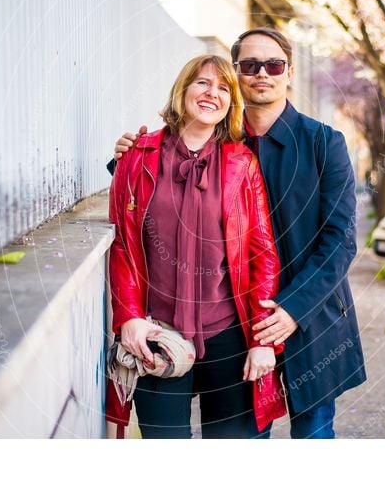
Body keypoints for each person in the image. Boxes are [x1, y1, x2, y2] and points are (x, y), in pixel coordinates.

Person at [114, 28, 367, 439]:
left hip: (308, 317)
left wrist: (290, 309)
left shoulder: (324, 143)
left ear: (289, 72)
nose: (262, 73)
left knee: (313, 438)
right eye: (250, 65)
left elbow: (341, 240)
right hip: (235, 320)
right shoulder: (219, 140)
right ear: (236, 74)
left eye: (274, 64)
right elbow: (158, 194)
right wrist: (125, 159)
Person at [106, 54, 286, 439]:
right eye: (203, 83)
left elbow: (262, 254)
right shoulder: (138, 157)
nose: (212, 93)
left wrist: (261, 341)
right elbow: (121, 242)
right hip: (157, 334)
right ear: (183, 90)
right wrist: (129, 317)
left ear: (231, 104)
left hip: (229, 336)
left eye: (224, 88)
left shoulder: (242, 163)